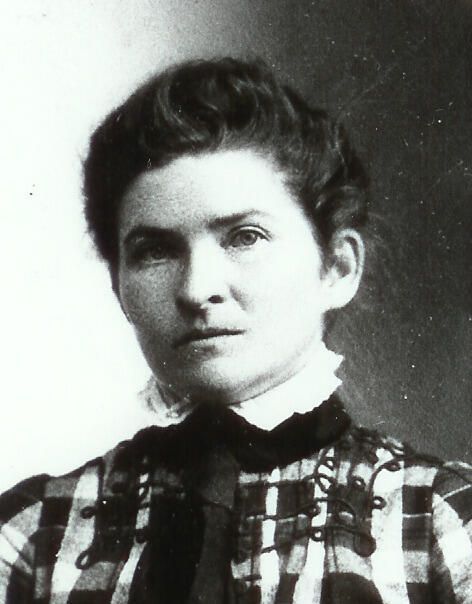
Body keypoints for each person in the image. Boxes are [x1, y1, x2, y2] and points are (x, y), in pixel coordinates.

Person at [0, 57, 470, 604]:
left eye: (245, 237)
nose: (197, 289)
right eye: (154, 251)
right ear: (118, 288)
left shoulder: (445, 525)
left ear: (337, 269)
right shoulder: (31, 537)